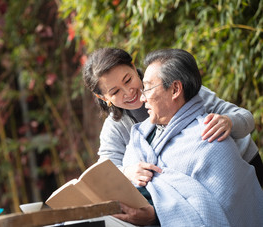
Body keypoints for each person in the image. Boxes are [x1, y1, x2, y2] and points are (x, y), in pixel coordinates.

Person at [117, 48, 263, 226]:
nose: (141, 97)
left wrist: (155, 215)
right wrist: (127, 171)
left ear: (175, 89)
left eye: (147, 88)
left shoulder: (210, 140)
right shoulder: (142, 132)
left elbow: (221, 215)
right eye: (114, 91)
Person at [82, 47, 263, 187]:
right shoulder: (115, 128)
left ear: (133, 67)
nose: (129, 92)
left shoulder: (176, 87)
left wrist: (229, 122)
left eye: (128, 80)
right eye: (114, 92)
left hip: (244, 163)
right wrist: (127, 172)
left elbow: (245, 118)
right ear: (103, 98)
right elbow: (106, 171)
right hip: (199, 183)